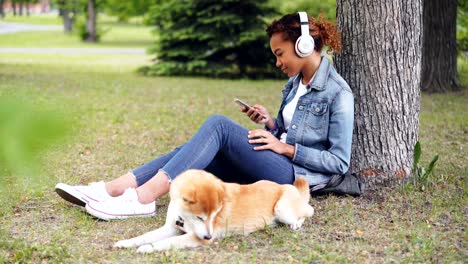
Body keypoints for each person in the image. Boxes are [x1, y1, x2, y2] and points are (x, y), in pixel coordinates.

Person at [55, 12, 354, 221]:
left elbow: (338, 162)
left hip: (292, 177)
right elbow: (287, 131)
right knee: (191, 152)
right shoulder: (295, 83)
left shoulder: (338, 93)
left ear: (303, 45)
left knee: (218, 126)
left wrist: (284, 147)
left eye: (280, 53)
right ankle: (112, 190)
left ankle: (142, 200)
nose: (277, 62)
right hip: (275, 161)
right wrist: (271, 125)